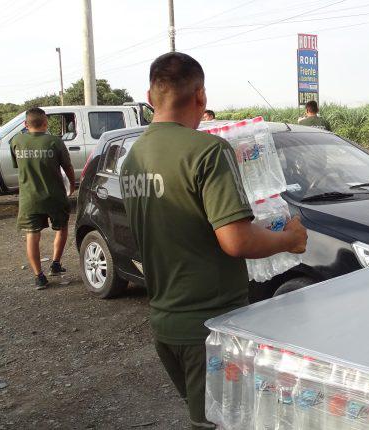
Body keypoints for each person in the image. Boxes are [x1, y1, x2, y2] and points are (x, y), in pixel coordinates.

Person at [120, 52, 307, 430]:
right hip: (209, 326)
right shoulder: (207, 151)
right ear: (201, 96)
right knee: (219, 422)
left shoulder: (133, 158)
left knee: (204, 416)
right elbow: (236, 240)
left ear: (150, 96)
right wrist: (289, 239)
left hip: (165, 322)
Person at [11, 107, 75, 289]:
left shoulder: (17, 141)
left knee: (32, 235)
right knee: (61, 228)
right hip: (55, 197)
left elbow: (17, 165)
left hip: (29, 199)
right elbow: (68, 167)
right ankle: (55, 264)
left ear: (25, 124)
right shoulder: (55, 142)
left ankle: (39, 276)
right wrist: (72, 185)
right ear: (46, 123)